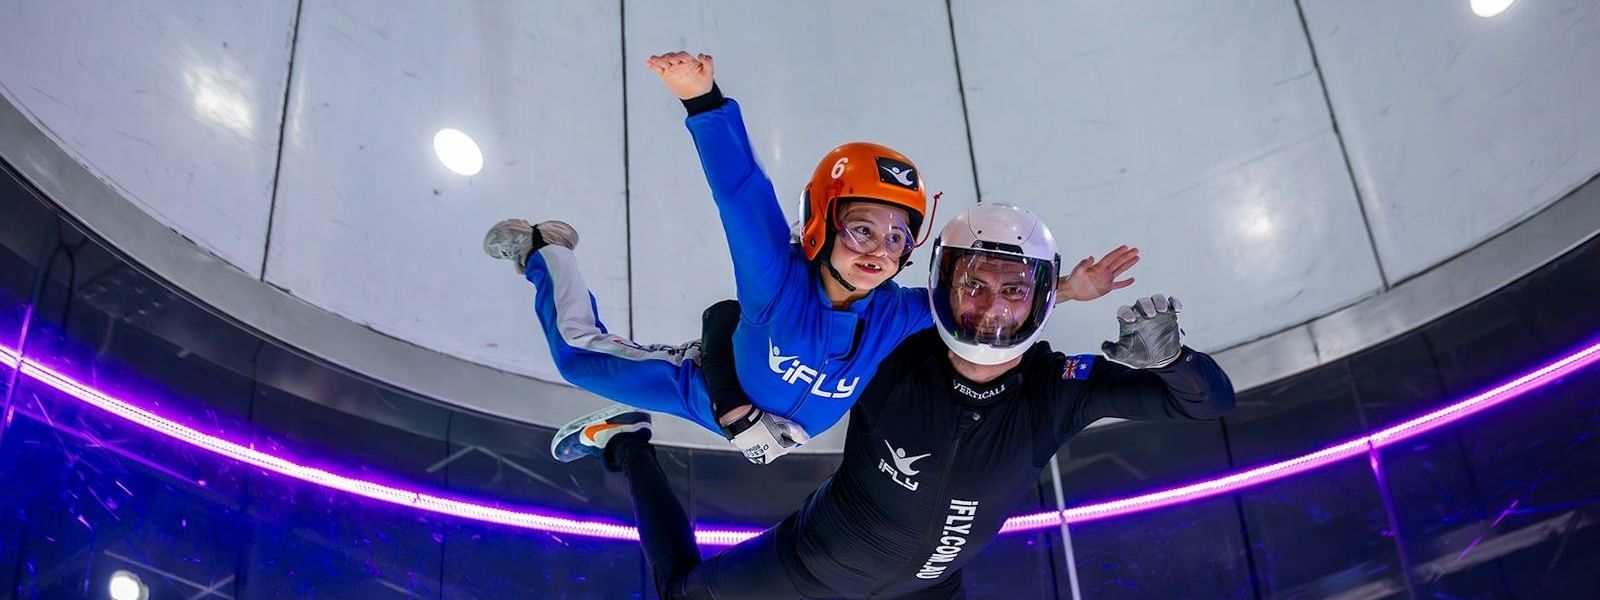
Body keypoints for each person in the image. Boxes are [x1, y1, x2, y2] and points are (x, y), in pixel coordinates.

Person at [483, 51, 1141, 464]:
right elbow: (742, 196)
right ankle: (547, 248)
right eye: (861, 230)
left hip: (768, 432)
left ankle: (623, 431)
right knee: (576, 359)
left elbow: (978, 310)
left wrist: (1070, 292)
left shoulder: (902, 313)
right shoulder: (778, 279)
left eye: (895, 238)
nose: (879, 252)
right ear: (823, 225)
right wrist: (703, 102)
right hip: (703, 391)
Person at [562, 203, 1236, 599]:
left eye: (1013, 290)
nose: (992, 307)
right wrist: (735, 408)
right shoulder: (888, 344)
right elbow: (728, 321)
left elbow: (1208, 402)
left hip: (930, 589)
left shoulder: (1062, 388)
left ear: (1038, 298)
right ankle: (626, 443)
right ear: (940, 285)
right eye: (974, 286)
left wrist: (1173, 359)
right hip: (811, 566)